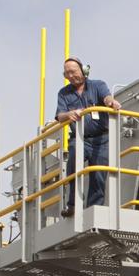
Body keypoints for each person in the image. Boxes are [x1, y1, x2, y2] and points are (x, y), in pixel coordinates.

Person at [55, 57, 120, 217]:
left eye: (73, 71)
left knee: (98, 176)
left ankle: (94, 210)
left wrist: (112, 102)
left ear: (83, 71)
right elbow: (59, 115)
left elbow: (106, 98)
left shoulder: (97, 85)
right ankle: (73, 204)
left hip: (101, 139)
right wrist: (69, 114)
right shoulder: (63, 93)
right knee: (73, 166)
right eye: (67, 73)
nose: (71, 75)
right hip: (79, 138)